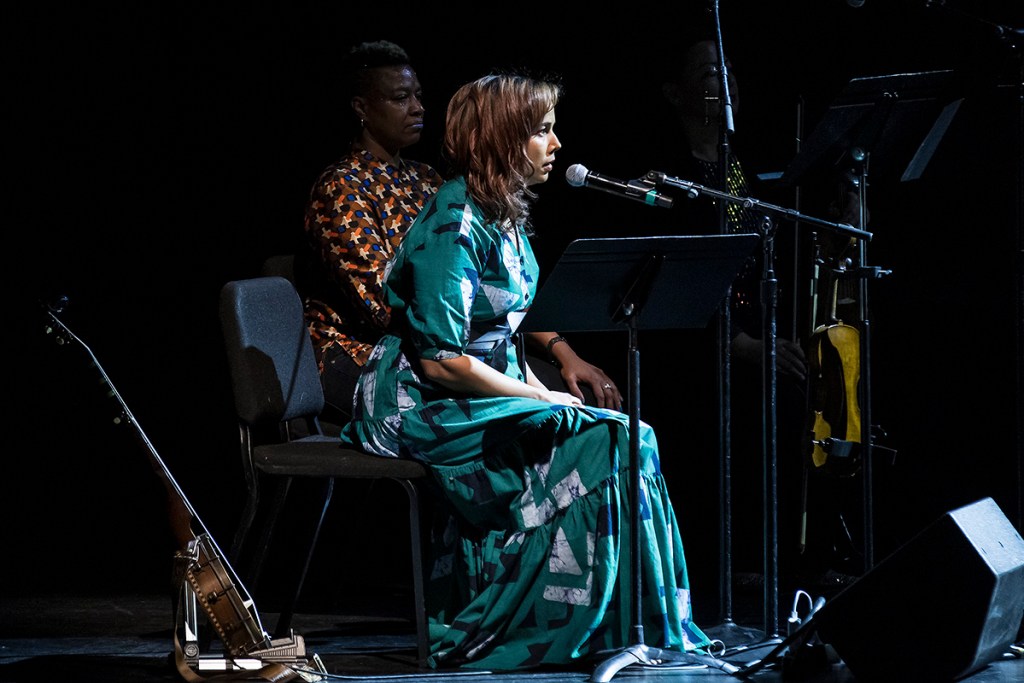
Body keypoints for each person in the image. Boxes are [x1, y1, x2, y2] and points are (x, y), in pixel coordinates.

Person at [340, 73, 711, 671]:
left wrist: (544, 388)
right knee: (611, 441)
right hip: (418, 402)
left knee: (626, 433)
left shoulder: (504, 215)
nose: (556, 144)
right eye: (541, 131)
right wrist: (540, 401)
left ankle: (627, 622)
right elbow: (441, 359)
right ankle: (541, 627)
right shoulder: (455, 223)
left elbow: (505, 335)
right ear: (502, 139)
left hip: (475, 386)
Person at [297, 40, 621, 426]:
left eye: (418, 95)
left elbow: (494, 287)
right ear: (361, 108)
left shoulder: (426, 178)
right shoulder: (341, 187)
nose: (417, 107)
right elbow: (385, 308)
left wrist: (562, 352)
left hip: (449, 341)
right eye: (400, 98)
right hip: (363, 354)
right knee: (538, 413)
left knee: (579, 397)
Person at [657, 33, 864, 593]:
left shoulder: (738, 169)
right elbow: (682, 283)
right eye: (708, 73)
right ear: (674, 93)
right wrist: (741, 345)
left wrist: (836, 228)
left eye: (728, 69)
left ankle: (808, 552)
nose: (723, 82)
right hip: (696, 345)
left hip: (751, 332)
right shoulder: (672, 175)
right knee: (776, 398)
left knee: (816, 388)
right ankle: (743, 562)